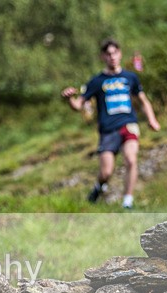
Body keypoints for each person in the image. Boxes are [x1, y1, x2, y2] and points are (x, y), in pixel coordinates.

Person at [61, 38, 160, 209]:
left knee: (131, 159)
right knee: (106, 172)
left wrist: (152, 119)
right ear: (103, 57)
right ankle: (98, 187)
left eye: (115, 53)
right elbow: (78, 106)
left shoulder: (130, 77)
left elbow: (143, 101)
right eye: (108, 54)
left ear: (120, 54)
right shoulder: (96, 81)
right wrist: (70, 98)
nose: (112, 57)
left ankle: (127, 202)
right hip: (108, 130)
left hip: (129, 124)